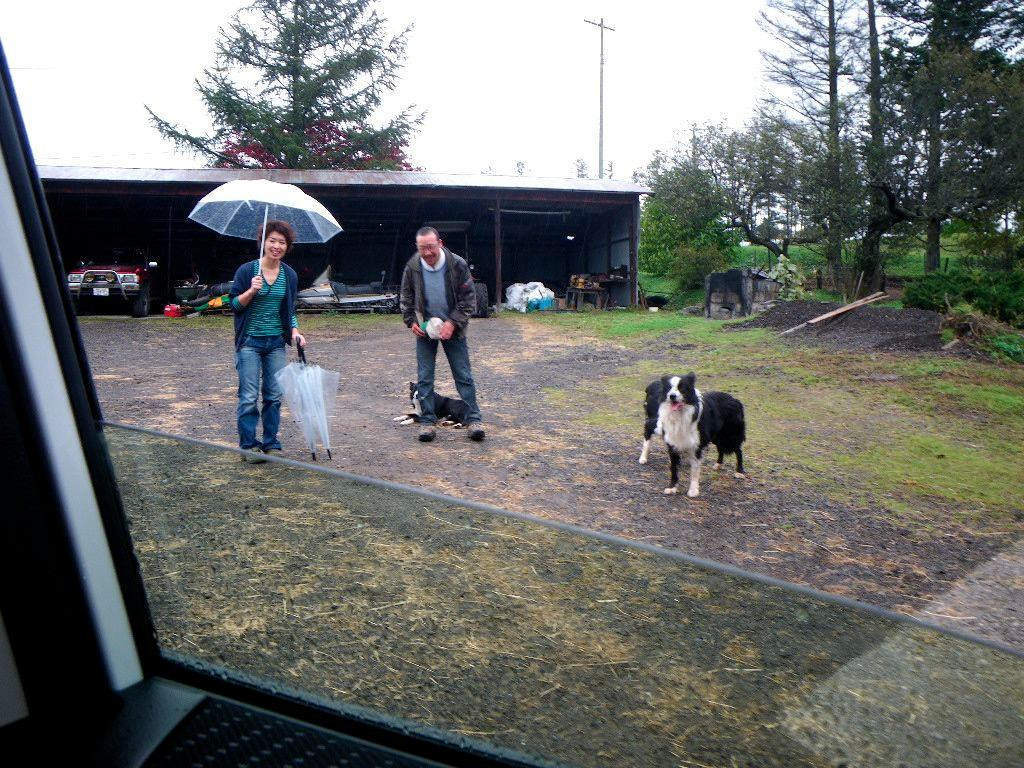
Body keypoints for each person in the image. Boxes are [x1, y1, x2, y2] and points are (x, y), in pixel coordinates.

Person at [229, 220, 306, 462]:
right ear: (263, 242)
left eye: (282, 242)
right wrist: (251, 291)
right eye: (272, 240)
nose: (276, 246)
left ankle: (272, 443)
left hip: (275, 343)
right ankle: (248, 446)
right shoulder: (246, 271)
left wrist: (294, 331)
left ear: (287, 247)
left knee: (273, 396)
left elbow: (289, 309)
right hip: (249, 342)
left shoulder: (289, 275)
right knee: (249, 396)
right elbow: (233, 305)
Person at [400, 226, 484, 442]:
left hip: (453, 330)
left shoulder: (457, 264)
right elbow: (406, 297)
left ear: (440, 243)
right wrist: (411, 322)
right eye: (422, 248)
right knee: (425, 377)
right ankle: (427, 422)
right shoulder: (412, 266)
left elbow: (469, 300)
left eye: (430, 247)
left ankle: (473, 419)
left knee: (463, 375)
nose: (427, 253)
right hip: (425, 328)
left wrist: (453, 323)